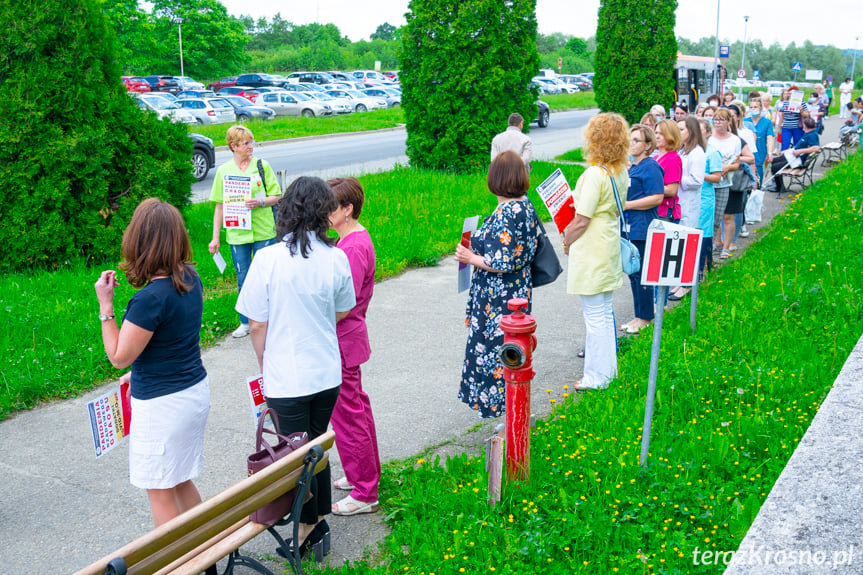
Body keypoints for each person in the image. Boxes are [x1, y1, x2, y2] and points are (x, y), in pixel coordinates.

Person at [236, 176, 356, 553]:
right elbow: (343, 308)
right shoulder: (335, 257)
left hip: (286, 376)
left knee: (295, 459)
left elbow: (256, 322)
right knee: (316, 446)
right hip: (325, 371)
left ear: (285, 210)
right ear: (324, 212)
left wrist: (263, 358)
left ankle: (307, 530)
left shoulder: (267, 258)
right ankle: (317, 525)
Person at [94, 198, 210, 530]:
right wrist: (141, 368)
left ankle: (178, 563)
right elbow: (171, 338)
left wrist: (106, 307)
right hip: (191, 392)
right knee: (180, 480)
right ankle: (207, 550)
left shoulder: (149, 299)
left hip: (163, 406)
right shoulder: (190, 278)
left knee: (160, 491)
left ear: (139, 241)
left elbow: (118, 356)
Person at [455, 151, 539, 417]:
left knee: (496, 354)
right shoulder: (524, 205)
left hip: (498, 297)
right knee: (509, 351)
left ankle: (503, 415)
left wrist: (470, 257)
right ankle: (511, 412)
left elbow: (501, 261)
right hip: (517, 289)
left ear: (496, 179)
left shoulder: (507, 212)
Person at [326, 177, 381, 517]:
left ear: (347, 210)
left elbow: (343, 304)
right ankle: (363, 476)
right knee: (356, 410)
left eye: (330, 208)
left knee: (348, 417)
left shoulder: (352, 248)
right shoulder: (350, 240)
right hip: (348, 338)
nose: (324, 214)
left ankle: (365, 491)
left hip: (343, 339)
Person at [562, 113, 629, 391]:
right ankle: (605, 372)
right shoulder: (620, 171)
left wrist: (566, 239)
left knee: (595, 318)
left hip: (592, 246)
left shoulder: (594, 174)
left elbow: (581, 218)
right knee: (602, 312)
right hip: (608, 241)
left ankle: (597, 378)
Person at [209, 125, 282, 339]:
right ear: (233, 146)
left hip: (263, 232)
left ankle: (270, 318)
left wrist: (259, 202)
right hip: (237, 234)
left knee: (266, 277)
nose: (251, 146)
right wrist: (215, 238)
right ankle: (245, 321)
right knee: (244, 277)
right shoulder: (224, 171)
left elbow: (276, 196)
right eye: (246, 143)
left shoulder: (262, 166)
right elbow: (219, 206)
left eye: (252, 142)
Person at [619, 124, 663, 334]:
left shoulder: (650, 166)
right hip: (629, 226)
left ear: (648, 145)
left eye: (636, 140)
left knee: (642, 273)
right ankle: (639, 316)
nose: (631, 143)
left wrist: (628, 205)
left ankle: (645, 318)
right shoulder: (634, 167)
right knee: (633, 273)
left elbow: (657, 197)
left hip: (643, 226)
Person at [770, 117, 821, 196]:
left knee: (775, 167)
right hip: (793, 156)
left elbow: (816, 148)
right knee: (773, 161)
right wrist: (786, 151)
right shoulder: (808, 133)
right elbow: (799, 146)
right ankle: (777, 185)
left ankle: (779, 187)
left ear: (805, 126)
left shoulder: (812, 135)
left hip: (798, 160)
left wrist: (800, 151)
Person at [676, 116, 707, 229]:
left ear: (691, 131)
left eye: (681, 129)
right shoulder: (681, 151)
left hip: (688, 203)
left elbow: (697, 180)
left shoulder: (697, 153)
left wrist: (676, 179)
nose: (677, 133)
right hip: (679, 202)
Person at [654, 119, 683, 222]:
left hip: (665, 212)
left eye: (661, 134)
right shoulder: (655, 157)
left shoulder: (672, 158)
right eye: (656, 132)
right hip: (656, 211)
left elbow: (671, 190)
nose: (657, 136)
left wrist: (647, 187)